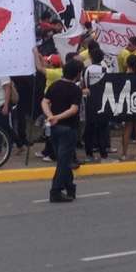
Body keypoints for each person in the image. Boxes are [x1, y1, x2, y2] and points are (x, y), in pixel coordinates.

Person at [42, 58, 83, 203]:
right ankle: (56, 191)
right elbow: (73, 109)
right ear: (77, 74)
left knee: (63, 160)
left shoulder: (54, 85)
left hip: (53, 128)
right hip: (68, 128)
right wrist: (56, 117)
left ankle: (70, 187)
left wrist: (50, 116)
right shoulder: (75, 89)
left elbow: (45, 101)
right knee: (63, 162)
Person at [82, 47, 109, 161]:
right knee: (103, 128)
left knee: (90, 128)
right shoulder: (105, 69)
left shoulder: (87, 69)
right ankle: (103, 153)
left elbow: (84, 84)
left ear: (91, 58)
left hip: (90, 101)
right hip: (102, 101)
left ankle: (89, 153)